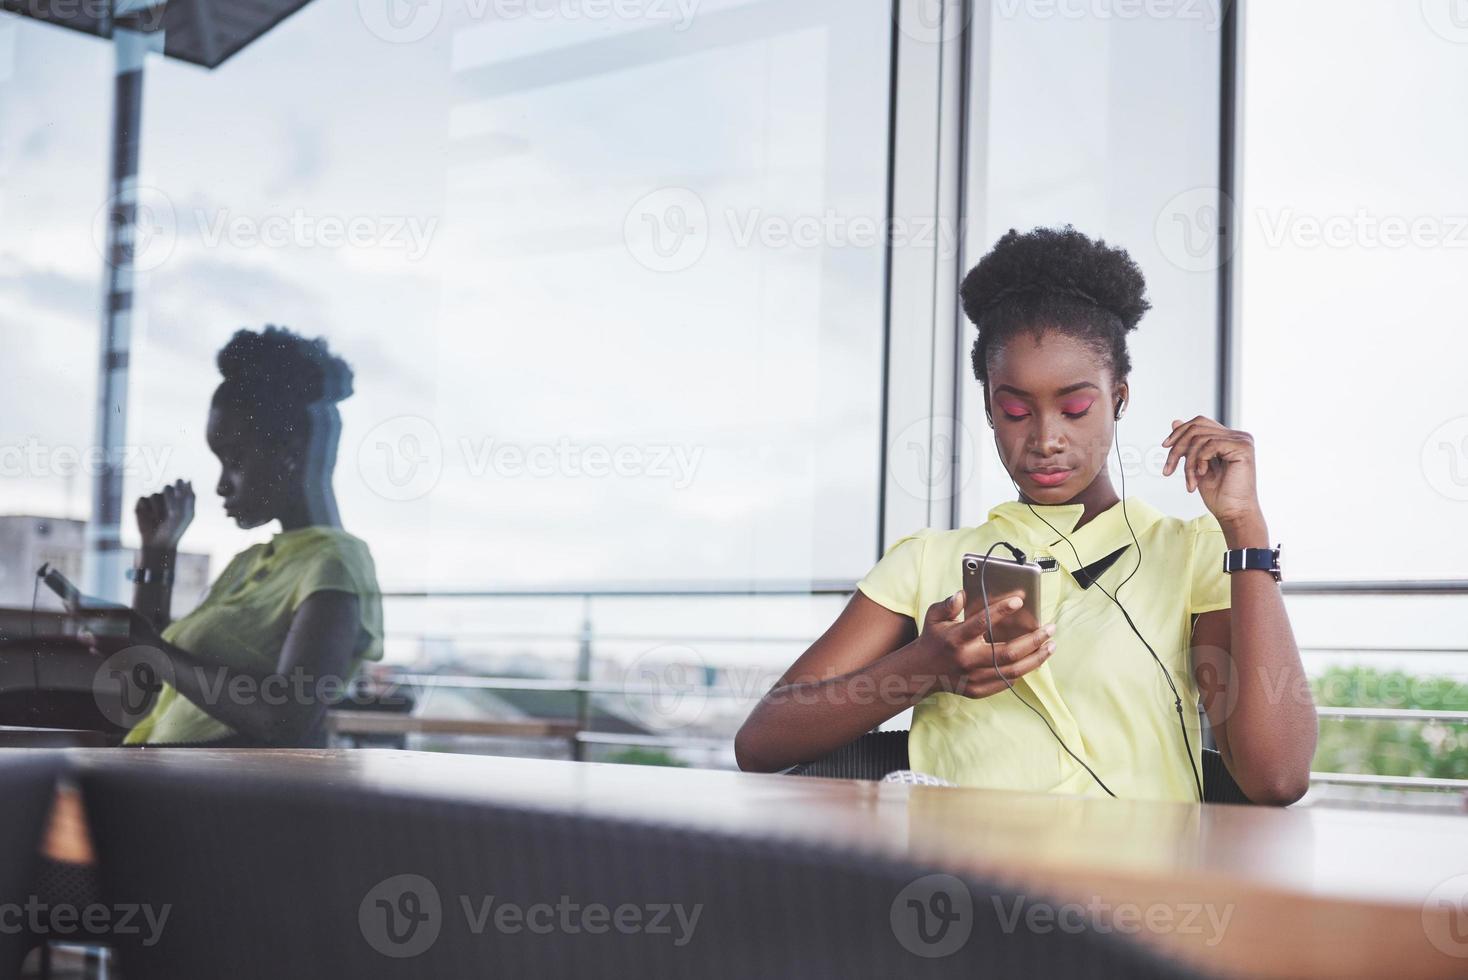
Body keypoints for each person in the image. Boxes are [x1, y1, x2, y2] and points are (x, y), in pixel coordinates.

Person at [735, 226, 1317, 804]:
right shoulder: (924, 561)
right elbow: (761, 743)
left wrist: (1246, 528)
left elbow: (1276, 778)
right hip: (966, 887)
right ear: (990, 410)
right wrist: (924, 668)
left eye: (1076, 407)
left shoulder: (1192, 553)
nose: (1046, 438)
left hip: (1132, 888)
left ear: (1119, 398)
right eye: (1014, 411)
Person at [84, 326, 383, 747]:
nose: (222, 485)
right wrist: (157, 551)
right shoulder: (252, 561)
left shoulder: (334, 564)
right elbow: (144, 682)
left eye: (235, 460)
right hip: (160, 774)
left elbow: (286, 720)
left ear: (290, 453)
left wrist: (152, 648)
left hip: (209, 795)